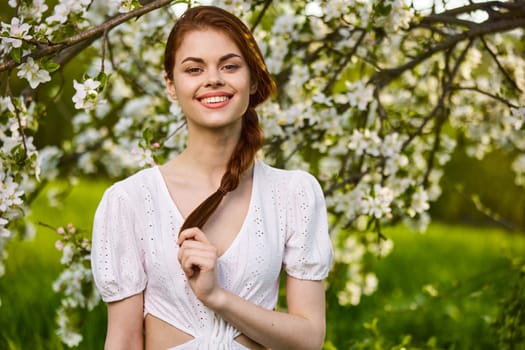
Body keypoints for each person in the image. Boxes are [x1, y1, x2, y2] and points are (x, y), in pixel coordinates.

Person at [91, 5, 333, 350]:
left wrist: (217, 296)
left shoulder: (293, 193)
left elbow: (309, 340)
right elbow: (124, 340)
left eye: (230, 66)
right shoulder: (129, 200)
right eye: (194, 68)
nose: (213, 79)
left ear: (252, 80)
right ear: (171, 85)